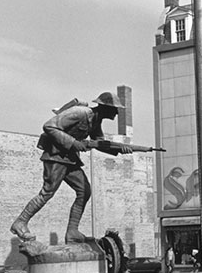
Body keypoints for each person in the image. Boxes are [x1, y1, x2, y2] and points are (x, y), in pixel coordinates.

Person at [10, 93, 132, 244]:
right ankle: (20, 222)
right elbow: (49, 126)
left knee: (84, 191)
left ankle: (72, 232)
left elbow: (99, 143)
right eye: (115, 109)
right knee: (47, 192)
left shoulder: (96, 121)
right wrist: (73, 143)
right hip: (55, 156)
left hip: (69, 159)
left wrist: (120, 149)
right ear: (105, 107)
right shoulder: (80, 113)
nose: (117, 113)